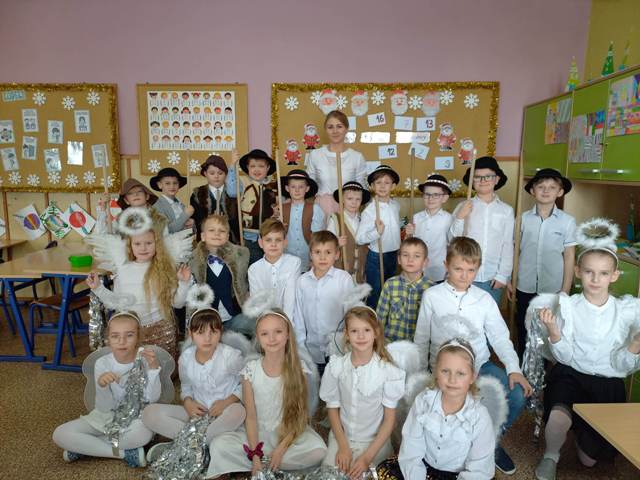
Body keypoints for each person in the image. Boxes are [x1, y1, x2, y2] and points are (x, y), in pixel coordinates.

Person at [414, 237, 532, 475]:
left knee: (518, 393)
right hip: (442, 370)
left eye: (471, 270)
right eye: (458, 268)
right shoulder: (432, 296)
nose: (464, 276)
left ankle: (490, 442)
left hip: (479, 366)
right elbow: (422, 337)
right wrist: (420, 371)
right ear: (446, 265)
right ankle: (449, 448)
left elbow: (500, 337)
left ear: (478, 269)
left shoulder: (484, 299)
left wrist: (513, 368)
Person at [532, 218, 639, 480]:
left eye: (603, 273)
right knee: (558, 416)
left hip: (607, 381)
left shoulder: (624, 311)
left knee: (589, 461)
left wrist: (634, 346)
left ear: (614, 275)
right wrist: (554, 332)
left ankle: (583, 434)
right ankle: (551, 455)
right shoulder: (569, 306)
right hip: (572, 374)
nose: (596, 279)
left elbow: (622, 366)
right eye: (589, 271)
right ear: (578, 271)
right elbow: (565, 356)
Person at [208, 309, 327, 477]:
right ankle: (264, 462)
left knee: (319, 451)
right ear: (258, 337)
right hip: (257, 433)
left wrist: (281, 449)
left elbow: (299, 417)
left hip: (289, 433)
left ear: (287, 334)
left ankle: (268, 461)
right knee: (219, 445)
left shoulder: (299, 369)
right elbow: (250, 417)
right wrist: (255, 454)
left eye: (278, 332)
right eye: (265, 334)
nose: (272, 339)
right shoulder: (250, 370)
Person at [142, 304, 246, 475]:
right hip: (197, 416)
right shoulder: (186, 358)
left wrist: (227, 402)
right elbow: (186, 386)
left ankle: (183, 446)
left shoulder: (231, 356)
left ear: (220, 333)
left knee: (238, 411)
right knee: (149, 413)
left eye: (213, 332)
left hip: (224, 415)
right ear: (190, 334)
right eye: (200, 332)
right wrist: (188, 403)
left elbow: (246, 384)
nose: (207, 338)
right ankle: (200, 447)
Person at [52, 312, 162, 468]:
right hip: (107, 418)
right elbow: (104, 409)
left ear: (138, 337)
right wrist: (102, 386)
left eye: (129, 335)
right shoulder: (102, 363)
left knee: (142, 435)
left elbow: (152, 399)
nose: (122, 341)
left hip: (136, 418)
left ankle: (85, 447)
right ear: (108, 339)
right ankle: (123, 454)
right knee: (60, 434)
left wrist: (153, 369)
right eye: (115, 336)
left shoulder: (145, 359)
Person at [380, 339, 495, 480]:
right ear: (435, 372)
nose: (452, 380)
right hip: (422, 467)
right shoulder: (424, 401)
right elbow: (412, 446)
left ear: (472, 377)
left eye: (460, 373)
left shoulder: (479, 416)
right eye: (445, 371)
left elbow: (479, 467)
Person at [86, 208, 192, 358]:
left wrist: (184, 283)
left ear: (157, 244)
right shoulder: (123, 270)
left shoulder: (164, 270)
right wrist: (98, 288)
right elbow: (115, 302)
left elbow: (178, 303)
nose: (143, 248)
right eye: (137, 244)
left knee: (158, 369)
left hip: (160, 331)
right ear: (130, 246)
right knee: (130, 368)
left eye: (148, 243)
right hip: (129, 333)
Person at [320, 306, 405, 478]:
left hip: (374, 443)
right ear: (346, 334)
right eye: (354, 331)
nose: (361, 336)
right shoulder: (336, 367)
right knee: (331, 475)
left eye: (366, 330)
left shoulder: (387, 372)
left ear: (376, 333)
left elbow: (389, 421)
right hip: (342, 438)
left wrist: (366, 458)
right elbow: (333, 409)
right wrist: (343, 447)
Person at [515, 168, 576, 359]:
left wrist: (565, 290)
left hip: (552, 287)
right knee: (523, 325)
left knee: (547, 327)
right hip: (524, 284)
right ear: (532, 191)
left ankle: (543, 366)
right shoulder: (522, 219)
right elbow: (514, 251)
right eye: (541, 186)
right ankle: (524, 363)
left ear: (560, 192)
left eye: (552, 187)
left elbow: (569, 256)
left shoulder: (567, 221)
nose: (546, 190)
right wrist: (511, 280)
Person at [449, 157, 514, 304]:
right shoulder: (463, 206)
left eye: (488, 176)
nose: (483, 180)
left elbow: (507, 245)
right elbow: (452, 240)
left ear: (497, 179)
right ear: (472, 181)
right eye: (477, 177)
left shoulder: (506, 211)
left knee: (488, 315)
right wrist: (460, 217)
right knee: (463, 313)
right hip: (464, 275)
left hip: (492, 277)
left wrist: (503, 275)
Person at [293, 231, 354, 373]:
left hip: (338, 350)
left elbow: (351, 314)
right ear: (310, 254)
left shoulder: (343, 279)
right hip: (311, 351)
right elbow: (298, 318)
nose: (322, 257)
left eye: (328, 252)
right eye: (317, 252)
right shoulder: (302, 282)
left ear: (337, 254)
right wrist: (301, 348)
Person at [189, 214, 253, 336]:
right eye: (211, 230)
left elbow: (245, 283)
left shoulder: (241, 257)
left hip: (235, 316)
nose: (217, 234)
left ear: (227, 236)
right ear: (202, 236)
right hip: (207, 322)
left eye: (222, 231)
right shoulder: (193, 261)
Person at [356, 165, 401, 309]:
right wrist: (377, 232)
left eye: (387, 182)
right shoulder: (370, 210)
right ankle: (373, 319)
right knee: (376, 294)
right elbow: (359, 238)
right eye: (378, 182)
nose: (382, 186)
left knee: (391, 292)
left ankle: (387, 320)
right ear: (372, 186)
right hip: (377, 257)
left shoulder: (396, 205)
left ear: (393, 186)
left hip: (394, 255)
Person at [306, 111, 367, 215]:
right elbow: (308, 186)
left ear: (346, 129)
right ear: (325, 130)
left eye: (339, 126)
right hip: (321, 209)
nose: (335, 131)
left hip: (348, 210)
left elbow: (362, 189)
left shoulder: (357, 157)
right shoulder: (315, 155)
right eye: (330, 127)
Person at [226, 149, 278, 264]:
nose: (256, 169)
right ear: (247, 168)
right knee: (252, 266)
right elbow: (231, 191)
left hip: (269, 237)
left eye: (261, 166)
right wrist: (233, 166)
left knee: (268, 266)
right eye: (253, 166)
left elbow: (276, 208)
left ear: (268, 168)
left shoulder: (271, 187)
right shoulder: (243, 183)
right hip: (249, 236)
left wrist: (276, 214)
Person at [377, 237, 430, 342]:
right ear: (399, 259)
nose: (410, 260)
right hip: (391, 344)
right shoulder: (390, 285)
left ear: (425, 262)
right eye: (405, 255)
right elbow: (380, 318)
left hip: (418, 346)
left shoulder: (430, 289)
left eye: (417, 256)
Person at [248, 219, 301, 320]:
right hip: (265, 320)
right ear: (260, 243)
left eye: (278, 240)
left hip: (290, 319)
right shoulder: (253, 269)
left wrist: (286, 323)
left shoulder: (294, 263)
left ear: (285, 242)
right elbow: (257, 302)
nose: (273, 244)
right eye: (268, 240)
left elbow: (290, 300)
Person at [405, 174, 453, 284]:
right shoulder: (415, 218)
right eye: (427, 194)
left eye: (436, 195)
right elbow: (409, 244)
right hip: (417, 269)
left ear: (444, 198)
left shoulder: (449, 219)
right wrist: (408, 234)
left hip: (439, 271)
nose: (431, 198)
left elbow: (452, 244)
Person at [280, 169, 325, 270]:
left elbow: (317, 236)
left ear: (307, 188)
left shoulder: (315, 208)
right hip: (287, 254)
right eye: (293, 187)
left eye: (301, 187)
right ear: (287, 188)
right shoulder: (281, 209)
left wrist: (316, 256)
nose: (297, 190)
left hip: (307, 255)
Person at [327, 181, 370, 282]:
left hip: (360, 268)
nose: (354, 202)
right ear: (342, 199)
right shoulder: (335, 219)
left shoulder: (364, 219)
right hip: (342, 268)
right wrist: (337, 243)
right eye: (349, 198)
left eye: (358, 199)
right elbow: (327, 243)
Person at [190, 154, 239, 242]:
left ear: (226, 174)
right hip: (206, 242)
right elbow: (197, 219)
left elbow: (237, 219)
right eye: (212, 173)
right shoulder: (197, 194)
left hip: (230, 241)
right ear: (205, 173)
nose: (216, 176)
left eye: (220, 173)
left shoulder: (234, 193)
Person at [150, 167, 195, 233]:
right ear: (160, 185)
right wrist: (185, 215)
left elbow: (184, 225)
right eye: (167, 183)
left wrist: (192, 223)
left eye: (175, 183)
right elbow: (167, 230)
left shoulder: (181, 205)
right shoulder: (157, 208)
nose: (172, 186)